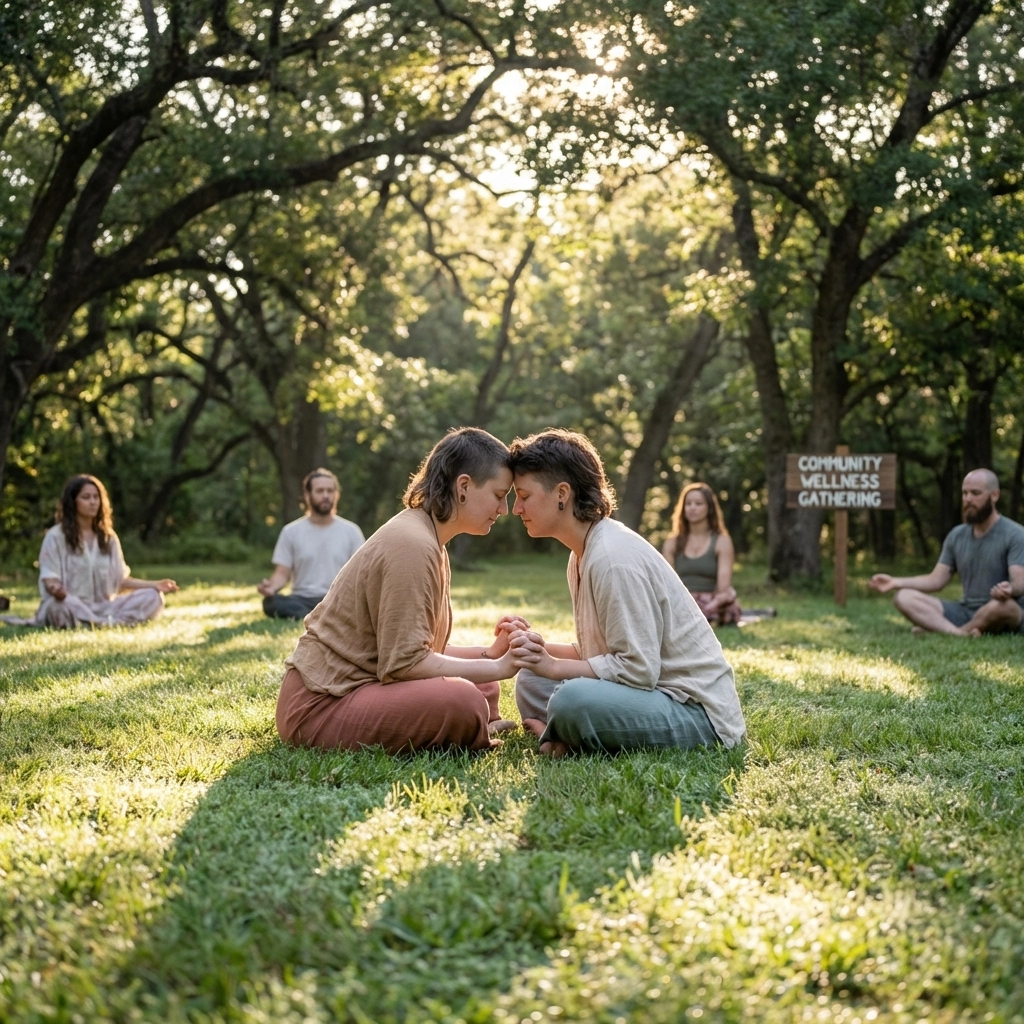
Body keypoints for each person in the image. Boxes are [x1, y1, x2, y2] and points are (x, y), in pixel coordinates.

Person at [275, 427, 527, 754]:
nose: (505, 509)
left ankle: (473, 722)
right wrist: (499, 667)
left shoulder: (430, 539)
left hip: (364, 685)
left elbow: (414, 646)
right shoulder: (412, 545)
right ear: (463, 486)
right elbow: (404, 664)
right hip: (320, 704)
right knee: (464, 699)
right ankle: (471, 722)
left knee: (482, 686)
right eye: (498, 495)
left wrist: (489, 654)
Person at [506, 429, 746, 757]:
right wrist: (537, 651)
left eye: (524, 495)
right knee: (531, 677)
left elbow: (638, 669)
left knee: (570, 699)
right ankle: (561, 734)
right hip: (649, 693)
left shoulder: (611, 557)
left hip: (696, 714)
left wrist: (555, 666)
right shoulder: (581, 554)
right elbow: (602, 650)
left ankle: (562, 732)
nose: (516, 508)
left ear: (562, 493)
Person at [1, 474, 177, 629]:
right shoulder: (55, 536)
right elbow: (49, 577)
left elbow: (120, 581)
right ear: (73, 502)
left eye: (96, 497)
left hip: (106, 607)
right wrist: (55, 588)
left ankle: (97, 622)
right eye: (86, 497)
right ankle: (106, 623)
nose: (93, 502)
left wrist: (154, 585)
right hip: (72, 604)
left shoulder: (108, 537)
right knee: (56, 606)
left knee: (154, 597)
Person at [870, 468, 1024, 636]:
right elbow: (936, 580)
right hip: (965, 610)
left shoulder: (1016, 534)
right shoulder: (956, 535)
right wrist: (894, 582)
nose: (968, 499)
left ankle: (946, 630)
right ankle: (961, 633)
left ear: (994, 495)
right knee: (904, 597)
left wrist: (1009, 589)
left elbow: (1019, 583)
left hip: (1002, 610)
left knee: (1000, 607)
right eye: (964, 493)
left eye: (975, 493)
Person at [258, 468, 364, 620]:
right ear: (307, 496)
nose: (326, 496)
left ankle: (316, 617)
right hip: (301, 599)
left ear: (337, 495)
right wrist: (271, 587)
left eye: (330, 491)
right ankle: (317, 617)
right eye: (320, 491)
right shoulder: (291, 531)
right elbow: (281, 573)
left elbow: (361, 575)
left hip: (337, 600)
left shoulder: (352, 531)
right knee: (271, 603)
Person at [661, 482, 741, 625]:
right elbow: (666, 584)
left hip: (712, 601)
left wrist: (708, 608)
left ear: (709, 508)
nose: (692, 508)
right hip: (682, 601)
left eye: (698, 504)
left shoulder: (722, 541)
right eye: (688, 504)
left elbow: (723, 589)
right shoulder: (672, 542)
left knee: (729, 598)